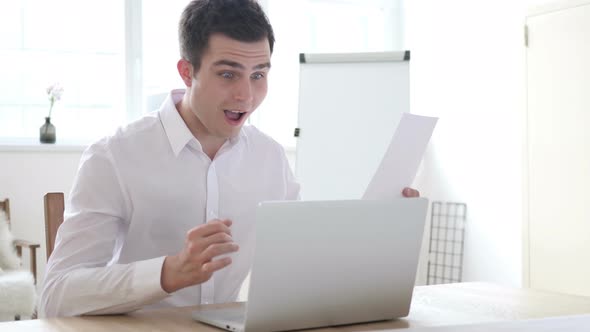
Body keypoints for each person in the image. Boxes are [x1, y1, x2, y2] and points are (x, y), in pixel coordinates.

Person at [38, 0, 419, 318]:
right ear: (187, 72)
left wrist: (384, 230)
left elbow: (304, 269)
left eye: (258, 74)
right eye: (227, 74)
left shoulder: (270, 159)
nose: (246, 96)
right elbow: (55, 296)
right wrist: (167, 273)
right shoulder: (114, 156)